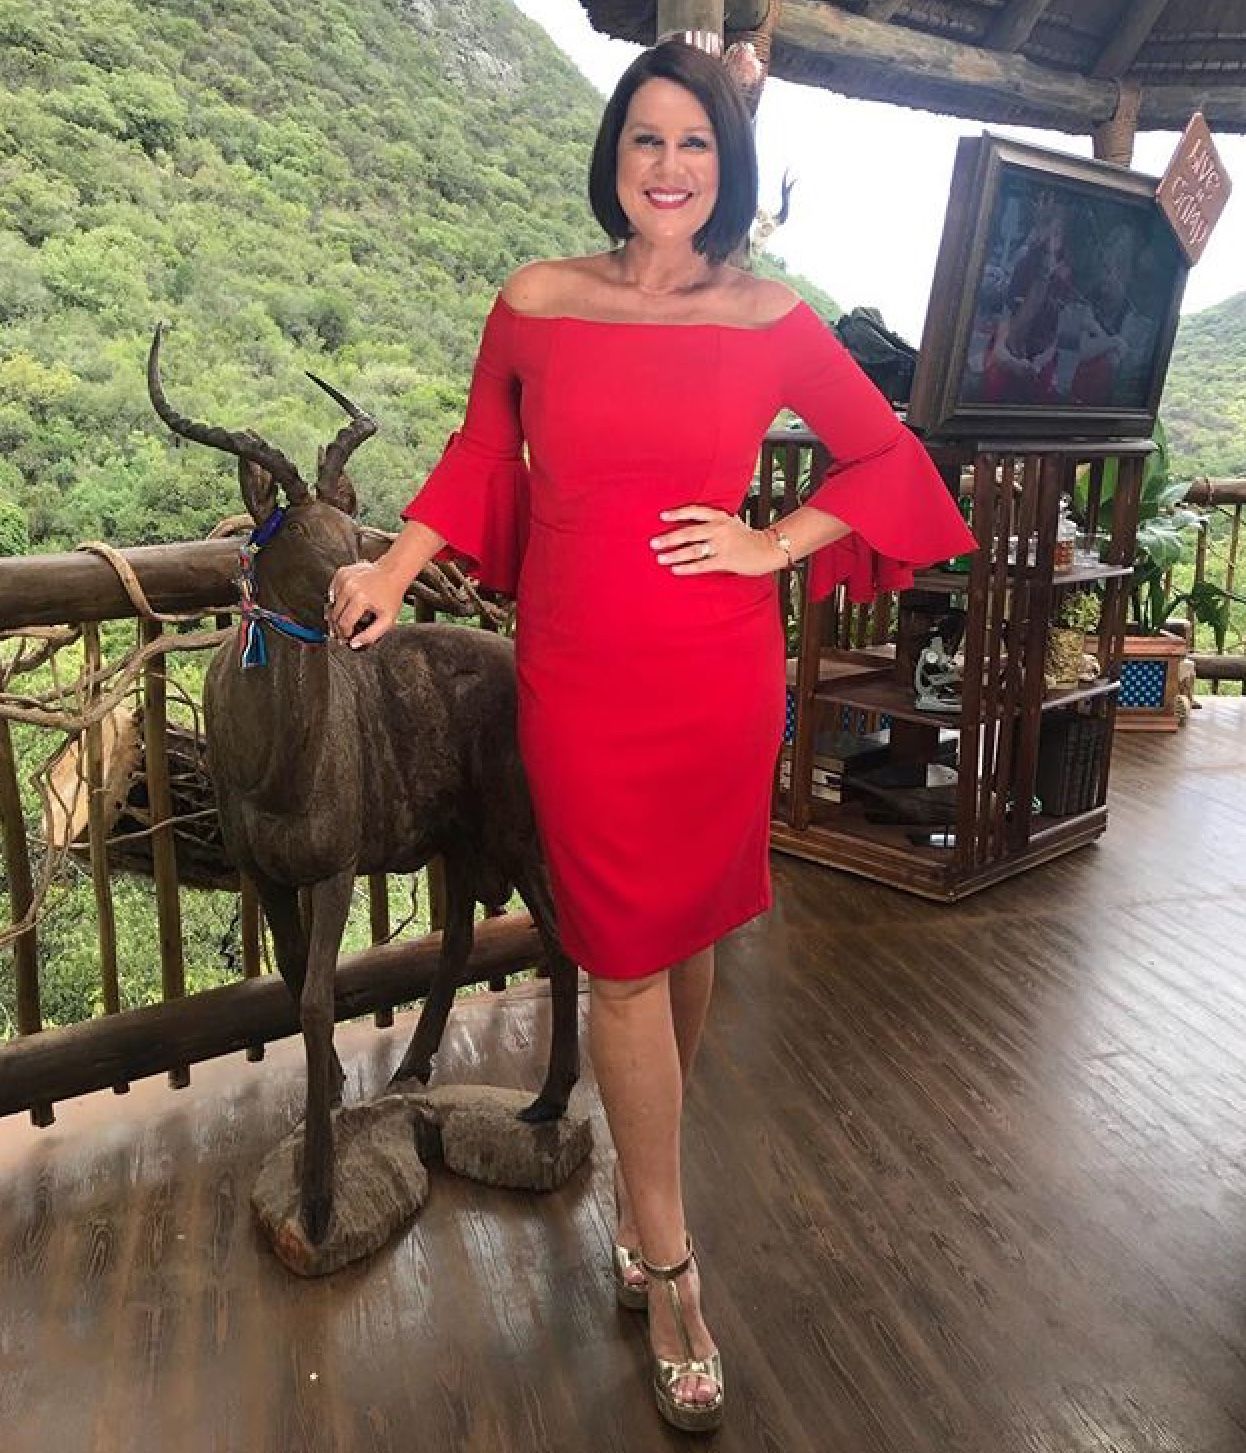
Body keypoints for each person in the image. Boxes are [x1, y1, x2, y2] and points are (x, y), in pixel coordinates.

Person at [328, 40, 973, 1435]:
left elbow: (888, 454)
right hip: (578, 677)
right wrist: (393, 565)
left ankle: (645, 1188)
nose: (669, 166)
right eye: (646, 139)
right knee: (618, 955)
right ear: (612, 155)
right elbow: (480, 454)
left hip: (716, 679)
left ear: (726, 166)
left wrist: (769, 543)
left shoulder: (769, 316)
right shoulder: (536, 299)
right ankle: (670, 1263)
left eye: (696, 143)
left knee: (684, 941)